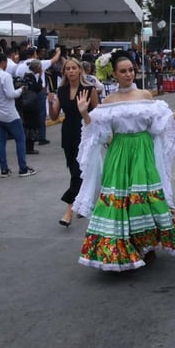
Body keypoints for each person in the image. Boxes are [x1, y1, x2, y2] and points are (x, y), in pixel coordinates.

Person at [72, 52, 175, 270]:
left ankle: (147, 245)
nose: (128, 74)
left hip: (143, 151)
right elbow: (99, 131)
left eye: (131, 70)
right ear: (114, 74)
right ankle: (121, 248)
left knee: (144, 199)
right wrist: (85, 113)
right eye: (123, 71)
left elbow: (156, 126)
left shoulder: (145, 95)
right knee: (119, 200)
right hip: (119, 154)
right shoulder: (109, 101)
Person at [48, 58, 99, 227]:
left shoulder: (89, 89)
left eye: (73, 68)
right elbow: (54, 116)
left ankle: (69, 210)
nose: (70, 71)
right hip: (68, 133)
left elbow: (99, 115)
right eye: (67, 69)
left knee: (79, 172)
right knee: (74, 171)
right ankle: (84, 203)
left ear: (79, 70)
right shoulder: (62, 91)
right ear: (64, 72)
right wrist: (50, 102)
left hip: (85, 133)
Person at [0, 52, 37, 179]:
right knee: (20, 139)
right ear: (3, 63)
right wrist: (21, 89)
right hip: (8, 114)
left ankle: (4, 170)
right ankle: (23, 169)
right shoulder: (4, 75)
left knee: (0, 141)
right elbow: (11, 94)